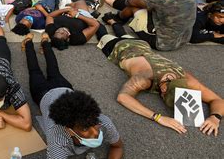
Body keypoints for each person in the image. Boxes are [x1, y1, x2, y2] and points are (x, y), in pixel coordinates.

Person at [21, 33, 123, 159]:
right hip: (42, 93)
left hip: (64, 86)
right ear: (68, 130)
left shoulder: (102, 121)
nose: (95, 133)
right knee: (34, 70)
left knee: (53, 66)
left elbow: (118, 146)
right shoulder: (58, 141)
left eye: (94, 123)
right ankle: (28, 42)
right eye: (85, 129)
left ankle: (45, 42)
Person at [95, 21, 223, 135]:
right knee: (102, 33)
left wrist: (215, 117)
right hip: (117, 47)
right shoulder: (145, 79)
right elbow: (123, 97)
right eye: (163, 95)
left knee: (122, 33)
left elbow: (217, 100)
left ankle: (112, 20)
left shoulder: (186, 78)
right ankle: (97, 22)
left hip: (140, 44)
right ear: (163, 88)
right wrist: (158, 117)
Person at [112, 0, 196, 51]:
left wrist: (126, 1)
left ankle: (118, 18)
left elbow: (132, 2)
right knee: (149, 8)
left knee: (133, 7)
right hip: (182, 41)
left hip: (161, 43)